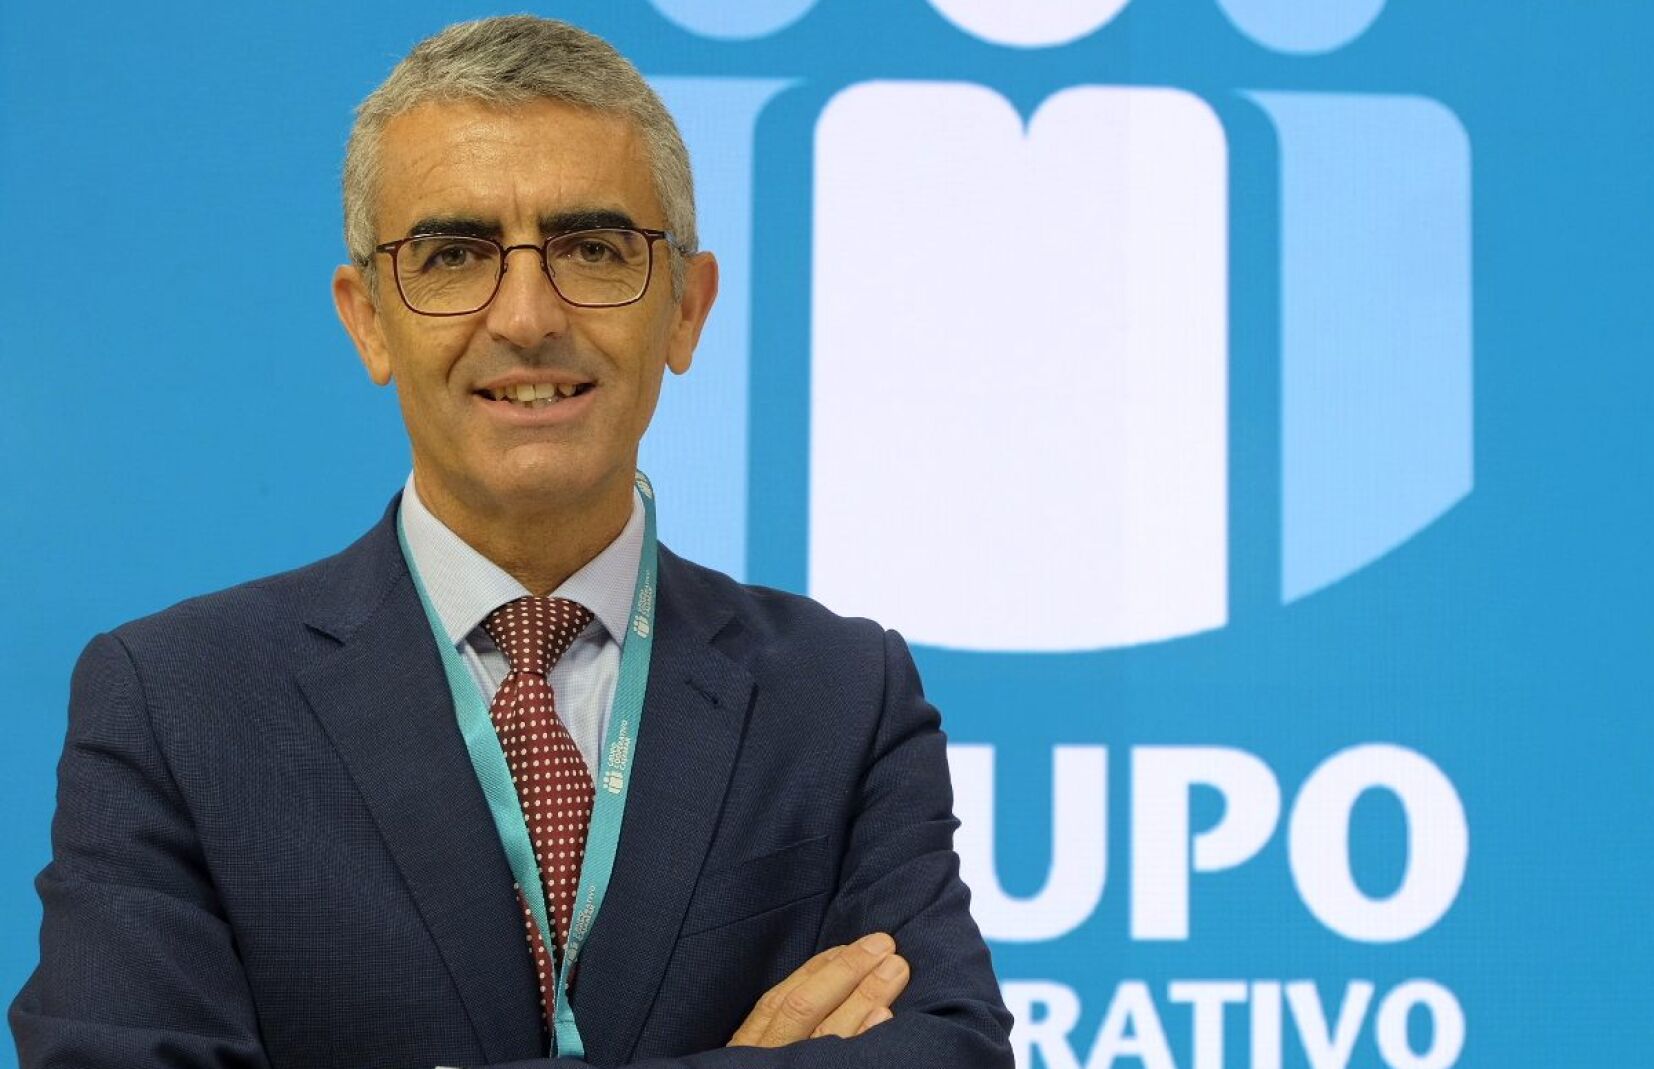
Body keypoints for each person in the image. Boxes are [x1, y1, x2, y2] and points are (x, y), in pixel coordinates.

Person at [9, 15, 1012, 1069]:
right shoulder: (177, 703)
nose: (527, 316)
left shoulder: (841, 696)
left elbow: (949, 1054)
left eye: (593, 249)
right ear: (368, 320)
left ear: (686, 307)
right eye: (452, 256)